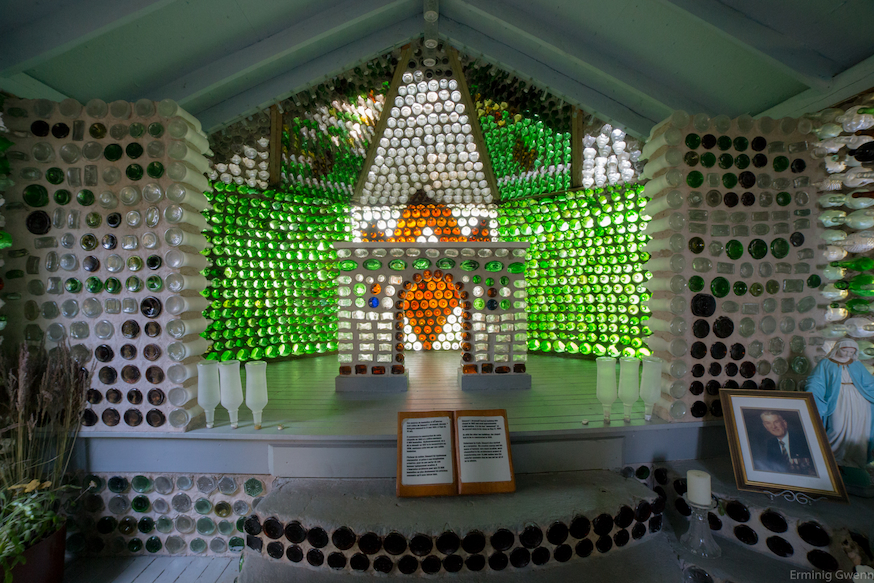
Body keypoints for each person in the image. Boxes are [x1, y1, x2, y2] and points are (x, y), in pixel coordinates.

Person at [806, 339, 874, 469]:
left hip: (859, 400)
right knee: (836, 427)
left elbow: (869, 382)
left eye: (851, 352)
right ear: (838, 348)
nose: (848, 354)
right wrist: (811, 393)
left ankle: (855, 461)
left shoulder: (856, 364)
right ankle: (832, 458)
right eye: (845, 350)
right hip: (837, 399)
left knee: (858, 430)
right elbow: (816, 381)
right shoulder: (826, 363)